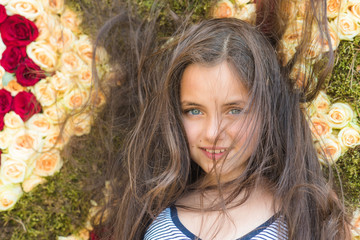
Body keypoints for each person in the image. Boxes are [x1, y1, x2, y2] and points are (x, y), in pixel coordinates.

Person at [87, 1, 352, 239]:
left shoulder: (301, 217)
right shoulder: (157, 220)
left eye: (234, 110)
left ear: (267, 111)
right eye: (194, 110)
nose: (212, 132)